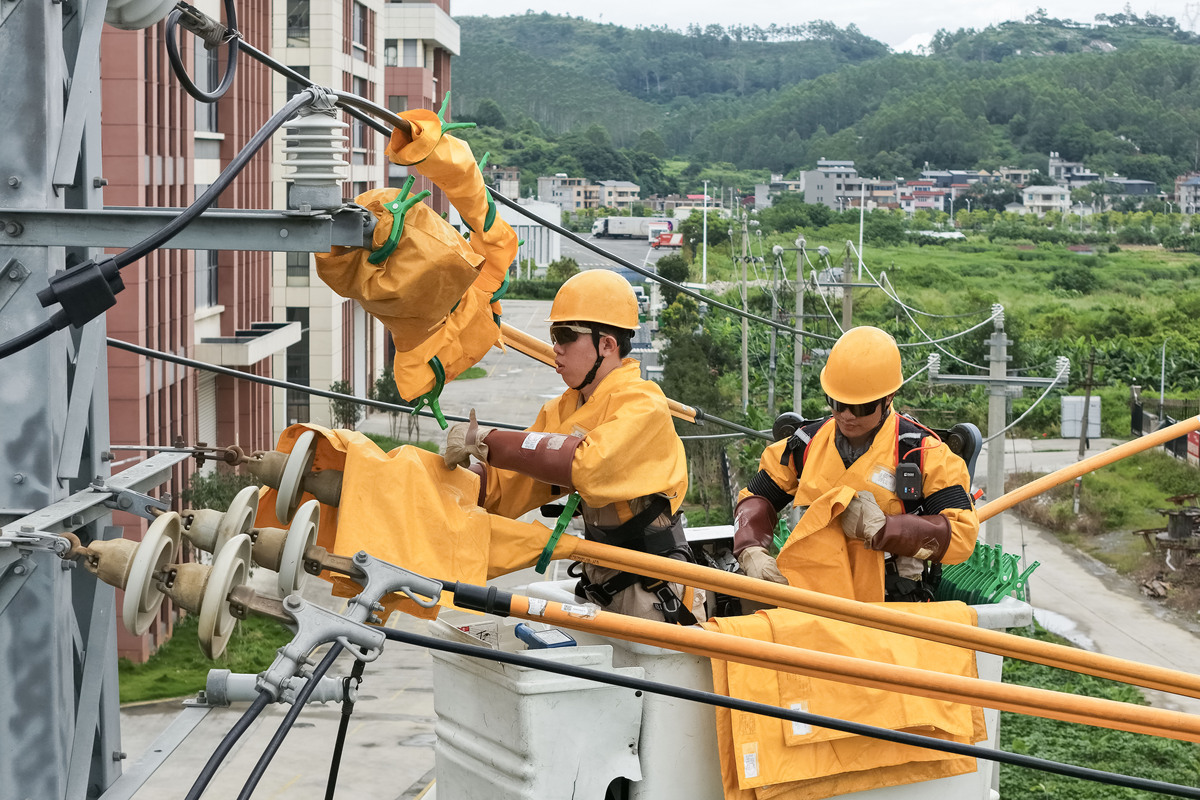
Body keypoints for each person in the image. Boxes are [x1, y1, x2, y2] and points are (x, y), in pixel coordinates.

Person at [442, 269, 704, 624]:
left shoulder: (643, 404)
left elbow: (585, 465)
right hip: (603, 582)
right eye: (554, 335)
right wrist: (445, 490)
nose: (555, 348)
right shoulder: (564, 410)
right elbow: (510, 483)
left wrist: (485, 440)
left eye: (566, 335)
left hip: (652, 589)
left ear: (607, 345)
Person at [732, 326, 979, 603]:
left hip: (889, 602)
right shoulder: (806, 446)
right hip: (810, 595)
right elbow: (757, 497)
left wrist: (886, 529)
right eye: (837, 403)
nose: (847, 416)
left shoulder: (922, 454)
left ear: (888, 398)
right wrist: (750, 548)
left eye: (861, 407)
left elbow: (961, 536)